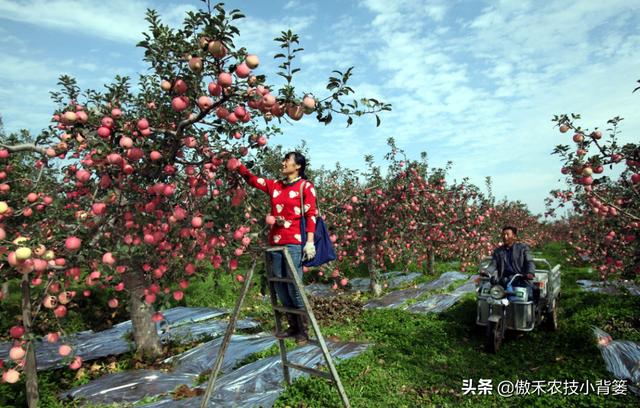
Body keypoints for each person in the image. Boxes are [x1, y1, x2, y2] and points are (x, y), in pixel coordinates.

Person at [236, 151, 317, 344]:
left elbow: (311, 214)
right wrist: (237, 165)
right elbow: (253, 180)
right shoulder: (275, 186)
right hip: (276, 242)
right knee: (280, 285)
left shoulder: (305, 187)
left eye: (286, 161)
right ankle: (292, 326)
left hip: (294, 242)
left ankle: (303, 329)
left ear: (297, 166)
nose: (283, 163)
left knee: (294, 286)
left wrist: (310, 241)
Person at [484, 226, 536, 292]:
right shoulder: (498, 251)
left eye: (507, 234)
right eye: (503, 235)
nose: (505, 237)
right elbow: (493, 265)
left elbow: (529, 261)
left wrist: (530, 272)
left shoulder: (523, 248)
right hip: (503, 281)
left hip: (520, 279)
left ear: (514, 236)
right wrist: (487, 271)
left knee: (528, 296)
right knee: (486, 292)